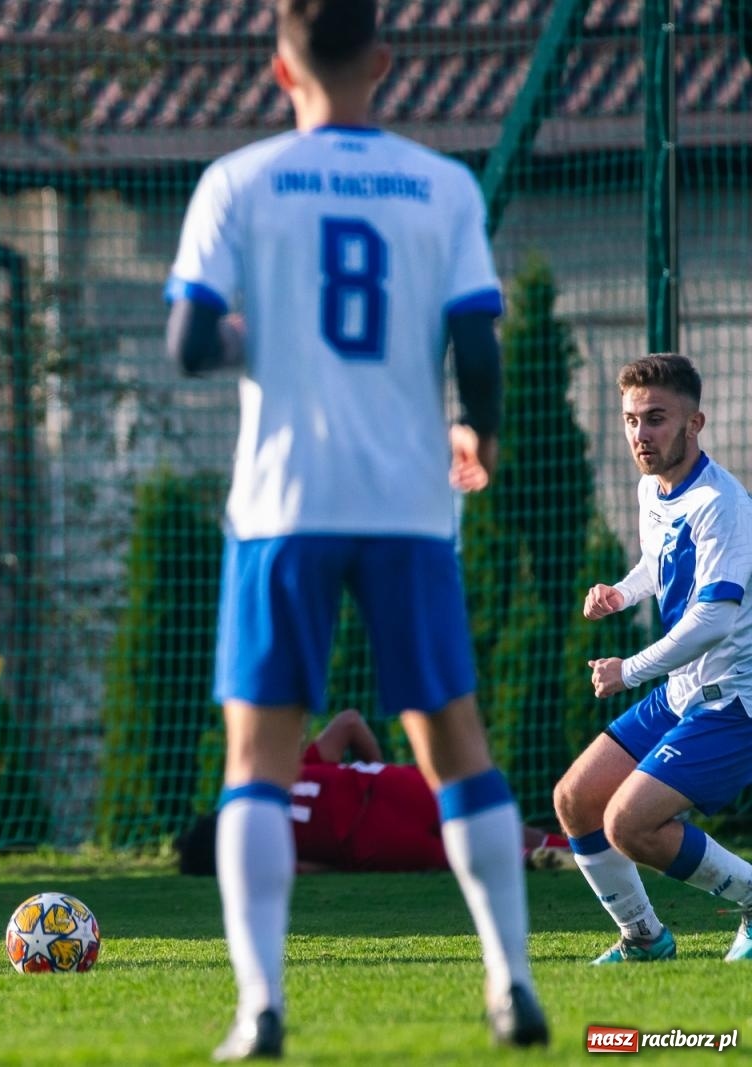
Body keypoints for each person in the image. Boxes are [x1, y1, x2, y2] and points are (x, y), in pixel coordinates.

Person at [164, 0, 547, 1056]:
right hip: (406, 503)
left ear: (279, 69)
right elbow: (477, 343)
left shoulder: (236, 180)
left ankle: (260, 1007)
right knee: (453, 739)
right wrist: (478, 433)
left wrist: (264, 332)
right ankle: (510, 981)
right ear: (382, 61)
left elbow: (191, 341)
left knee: (257, 756)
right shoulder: (441, 186)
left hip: (285, 503)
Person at [552, 353, 752, 966]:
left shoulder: (723, 504)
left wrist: (628, 670)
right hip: (685, 690)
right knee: (574, 801)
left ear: (695, 423)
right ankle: (644, 938)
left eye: (656, 419)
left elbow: (714, 620)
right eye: (632, 420)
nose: (641, 435)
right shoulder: (652, 487)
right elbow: (657, 561)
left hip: (734, 700)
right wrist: (622, 592)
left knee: (628, 825)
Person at [174, 710, 575, 876]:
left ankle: (539, 859)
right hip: (393, 785)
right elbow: (349, 721)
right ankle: (587, 850)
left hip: (374, 840)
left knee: (468, 855)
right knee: (490, 822)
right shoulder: (285, 775)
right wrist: (377, 768)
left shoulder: (260, 847)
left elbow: (306, 868)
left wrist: (338, 862)